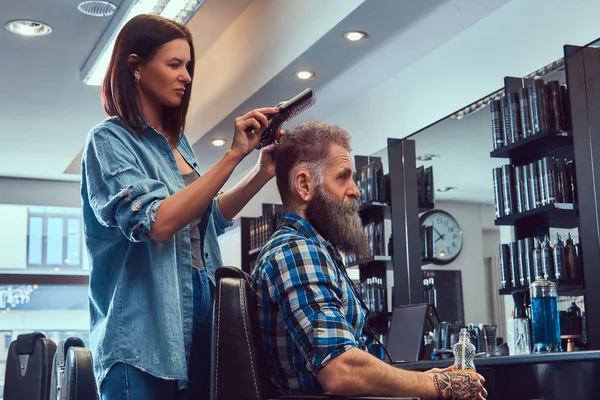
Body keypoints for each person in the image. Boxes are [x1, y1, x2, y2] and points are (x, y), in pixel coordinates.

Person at [81, 14, 282, 400]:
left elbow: (208, 221)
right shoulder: (108, 140)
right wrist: (231, 155)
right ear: (135, 67)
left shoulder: (180, 145)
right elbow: (157, 222)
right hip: (142, 333)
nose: (187, 76)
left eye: (188, 66)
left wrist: (259, 170)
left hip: (200, 313)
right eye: (174, 64)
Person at [251, 121, 487, 399]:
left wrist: (421, 379)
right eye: (343, 177)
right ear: (304, 184)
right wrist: (435, 387)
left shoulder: (314, 250)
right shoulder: (296, 251)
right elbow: (340, 370)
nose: (356, 190)